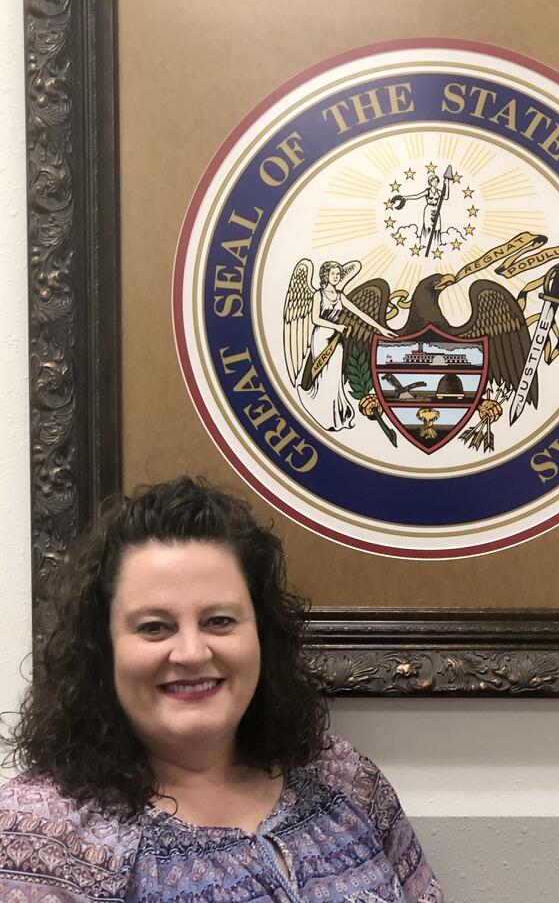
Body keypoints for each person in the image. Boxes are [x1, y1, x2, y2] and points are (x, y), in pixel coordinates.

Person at [0, 476, 442, 902]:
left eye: (219, 621)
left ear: (261, 634)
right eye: (155, 627)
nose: (191, 653)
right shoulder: (39, 832)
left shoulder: (346, 780)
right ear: (104, 649)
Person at [296, 260, 394, 432]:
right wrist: (336, 326)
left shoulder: (340, 296)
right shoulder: (318, 295)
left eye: (338, 274)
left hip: (337, 339)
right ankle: (322, 412)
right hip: (321, 337)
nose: (336, 277)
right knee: (323, 376)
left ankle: (337, 417)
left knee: (334, 376)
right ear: (325, 276)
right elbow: (315, 319)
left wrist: (380, 328)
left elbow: (359, 313)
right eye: (333, 274)